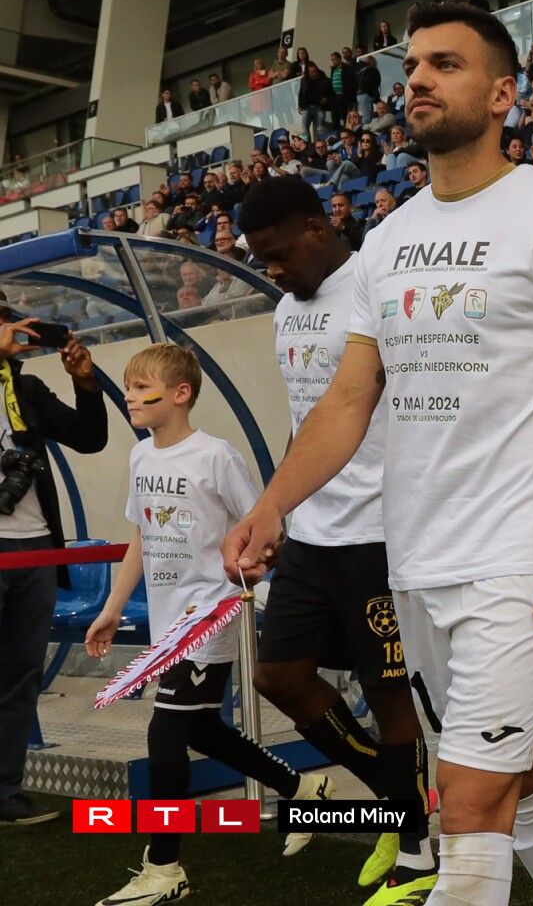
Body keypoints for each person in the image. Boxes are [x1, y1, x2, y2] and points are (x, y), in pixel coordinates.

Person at [223, 0, 533, 906]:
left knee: (468, 801)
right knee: (526, 781)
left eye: (445, 64)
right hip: (416, 563)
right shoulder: (389, 240)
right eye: (413, 65)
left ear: (502, 94)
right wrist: (271, 504)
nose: (417, 78)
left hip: (519, 561)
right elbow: (347, 400)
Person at [238, 177, 435, 904]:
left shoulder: (373, 289)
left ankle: (417, 854)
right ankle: (397, 795)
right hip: (313, 533)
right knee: (277, 676)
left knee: (390, 694)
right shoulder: (285, 310)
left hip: (379, 533)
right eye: (262, 259)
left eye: (280, 254)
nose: (274, 270)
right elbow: (305, 419)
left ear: (318, 229)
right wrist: (280, 508)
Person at [85, 344, 331, 905]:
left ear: (181, 393)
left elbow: (263, 524)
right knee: (199, 729)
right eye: (128, 386)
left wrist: (255, 581)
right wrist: (113, 608)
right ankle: (301, 786)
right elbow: (142, 536)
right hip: (167, 623)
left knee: (165, 732)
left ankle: (164, 868)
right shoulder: (140, 458)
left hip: (209, 615)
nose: (130, 397)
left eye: (141, 387)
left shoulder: (216, 456)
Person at [0, 304, 106, 827]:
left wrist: (85, 383)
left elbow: (90, 439)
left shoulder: (28, 388)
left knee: (21, 674)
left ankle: (6, 791)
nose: (13, 332)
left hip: (36, 548)